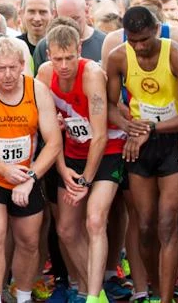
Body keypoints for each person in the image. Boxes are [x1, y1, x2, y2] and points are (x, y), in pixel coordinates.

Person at [106, 7, 178, 303]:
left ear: (157, 29)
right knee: (145, 225)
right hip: (139, 142)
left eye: (145, 40)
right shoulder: (119, 57)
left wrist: (152, 128)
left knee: (167, 223)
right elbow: (109, 105)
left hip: (171, 140)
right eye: (132, 40)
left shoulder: (176, 56)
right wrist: (129, 127)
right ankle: (157, 290)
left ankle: (166, 299)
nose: (139, 47)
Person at [0, 37, 60, 303]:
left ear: (22, 65)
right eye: (1, 68)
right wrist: (3, 169)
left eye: (13, 68)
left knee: (29, 240)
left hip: (27, 175)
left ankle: (23, 296)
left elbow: (54, 142)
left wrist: (30, 178)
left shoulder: (37, 90)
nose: (7, 75)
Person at [37, 23, 124, 303]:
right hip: (72, 151)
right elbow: (49, 132)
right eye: (58, 59)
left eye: (69, 58)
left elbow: (100, 136)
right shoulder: (44, 75)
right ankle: (92, 291)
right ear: (48, 55)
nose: (64, 66)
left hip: (107, 149)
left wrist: (85, 180)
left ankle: (93, 296)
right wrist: (63, 169)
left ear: (79, 50)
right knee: (65, 228)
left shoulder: (91, 75)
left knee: (95, 220)